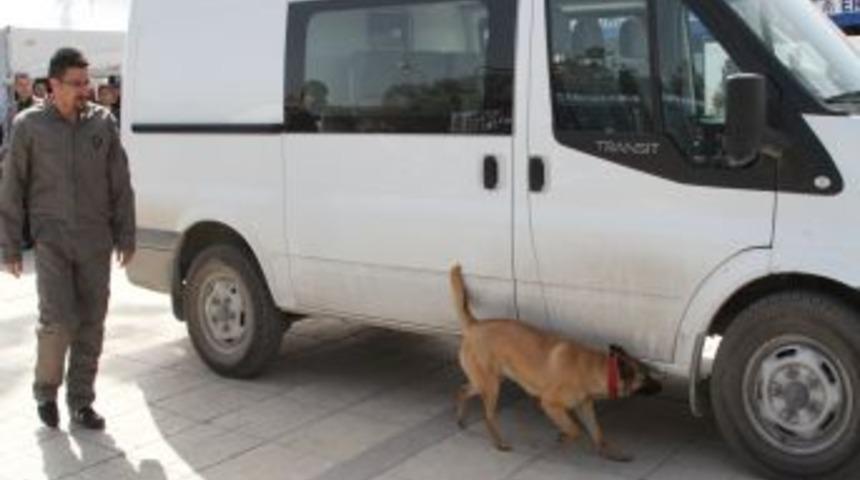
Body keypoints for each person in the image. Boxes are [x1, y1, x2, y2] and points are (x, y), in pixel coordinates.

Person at [0, 48, 136, 430]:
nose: (84, 90)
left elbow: (121, 184)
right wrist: (9, 244)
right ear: (52, 86)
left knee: (92, 322)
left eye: (86, 83)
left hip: (96, 241)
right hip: (52, 241)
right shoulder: (29, 126)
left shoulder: (102, 123)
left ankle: (81, 401)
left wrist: (126, 233)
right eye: (75, 84)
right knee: (58, 320)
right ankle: (46, 390)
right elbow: (12, 187)